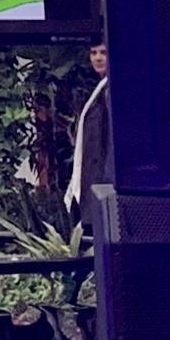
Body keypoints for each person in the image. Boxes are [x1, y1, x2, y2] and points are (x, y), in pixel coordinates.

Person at [66, 41, 112, 232]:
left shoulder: (111, 92)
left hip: (104, 184)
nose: (98, 58)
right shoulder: (101, 90)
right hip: (93, 183)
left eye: (103, 52)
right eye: (93, 53)